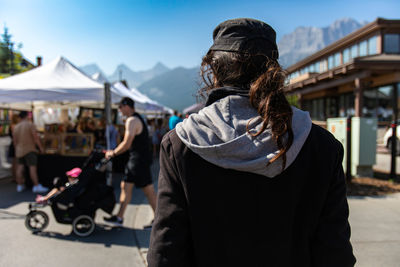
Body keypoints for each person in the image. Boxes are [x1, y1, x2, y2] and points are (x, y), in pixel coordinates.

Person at [147, 18, 356, 266]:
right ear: (274, 71)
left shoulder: (181, 143)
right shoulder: (321, 145)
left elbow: (166, 254)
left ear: (213, 71)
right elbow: (335, 253)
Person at [104, 97, 157, 227]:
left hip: (138, 160)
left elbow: (127, 143)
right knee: (126, 186)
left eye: (120, 107)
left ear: (127, 106)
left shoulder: (132, 121)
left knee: (148, 190)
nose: (119, 110)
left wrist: (113, 152)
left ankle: (159, 219)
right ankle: (119, 217)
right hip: (139, 159)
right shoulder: (137, 118)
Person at [13, 111, 48, 193]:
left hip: (19, 150)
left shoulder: (16, 127)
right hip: (30, 149)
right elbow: (36, 137)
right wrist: (41, 148)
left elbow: (15, 141)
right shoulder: (30, 125)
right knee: (32, 168)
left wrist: (16, 149)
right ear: (26, 116)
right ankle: (36, 185)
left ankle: (19, 185)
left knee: (20, 168)